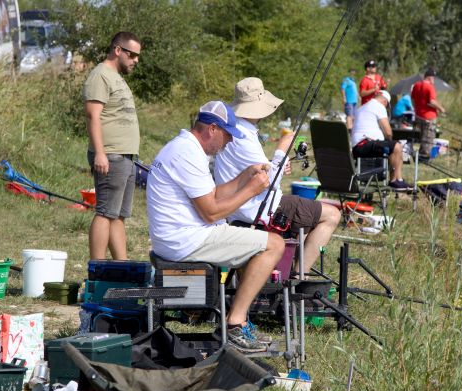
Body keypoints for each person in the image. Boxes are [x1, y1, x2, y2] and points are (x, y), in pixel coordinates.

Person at [147, 100, 285, 353]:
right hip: (185, 240)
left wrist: (246, 175)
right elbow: (211, 212)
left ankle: (241, 320)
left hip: (178, 236)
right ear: (212, 129)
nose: (229, 142)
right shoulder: (187, 153)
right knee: (275, 244)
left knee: (255, 244)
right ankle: (234, 324)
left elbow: (212, 195)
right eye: (227, 135)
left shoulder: (184, 147)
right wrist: (251, 190)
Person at [214, 77, 341, 274]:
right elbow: (269, 181)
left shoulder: (234, 129)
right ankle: (299, 277)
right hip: (258, 210)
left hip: (237, 209)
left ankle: (288, 268)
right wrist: (282, 149)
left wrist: (278, 163)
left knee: (307, 212)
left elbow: (255, 169)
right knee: (332, 215)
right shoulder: (244, 137)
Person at [84, 32, 141, 260]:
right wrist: (100, 153)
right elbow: (92, 115)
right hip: (111, 155)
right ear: (118, 50)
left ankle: (122, 267)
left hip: (126, 156)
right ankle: (96, 269)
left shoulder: (116, 77)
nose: (136, 60)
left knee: (118, 216)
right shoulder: (100, 75)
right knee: (105, 213)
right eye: (132, 55)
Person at [351, 90, 412, 191]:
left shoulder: (362, 107)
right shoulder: (379, 106)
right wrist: (391, 142)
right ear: (385, 102)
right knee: (396, 146)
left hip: (357, 147)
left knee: (393, 146)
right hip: (365, 144)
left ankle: (397, 180)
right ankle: (396, 181)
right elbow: (388, 132)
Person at [411, 69, 446, 160]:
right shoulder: (430, 87)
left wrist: (416, 109)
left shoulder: (416, 85)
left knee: (422, 135)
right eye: (433, 78)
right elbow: (431, 101)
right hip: (429, 117)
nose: (434, 80)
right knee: (428, 137)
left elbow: (413, 99)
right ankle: (424, 157)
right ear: (430, 78)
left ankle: (420, 154)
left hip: (419, 115)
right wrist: (441, 108)